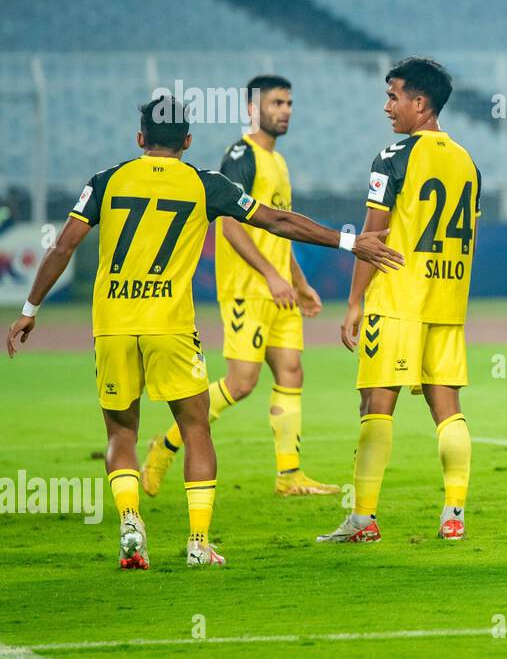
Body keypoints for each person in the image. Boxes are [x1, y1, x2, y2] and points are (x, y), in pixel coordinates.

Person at [6, 96, 401, 567]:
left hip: (111, 325)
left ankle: (131, 522)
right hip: (170, 325)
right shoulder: (205, 184)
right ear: (188, 141)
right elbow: (276, 220)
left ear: (140, 140)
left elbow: (63, 247)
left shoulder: (105, 181)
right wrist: (349, 240)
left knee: (121, 432)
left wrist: (30, 308)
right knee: (195, 428)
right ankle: (198, 544)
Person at [144, 75, 339, 497]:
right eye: (276, 103)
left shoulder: (279, 163)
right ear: (253, 109)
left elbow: (279, 230)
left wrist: (298, 282)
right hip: (247, 290)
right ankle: (166, 444)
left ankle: (289, 475)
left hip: (280, 290)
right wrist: (270, 276)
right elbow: (229, 224)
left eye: (289, 103)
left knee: (291, 371)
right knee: (242, 383)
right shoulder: (240, 156)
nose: (285, 110)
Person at [318, 58, 481, 544]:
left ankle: (363, 519)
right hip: (447, 302)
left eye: (394, 96)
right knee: (447, 407)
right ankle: (454, 515)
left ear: (420, 103)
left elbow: (373, 234)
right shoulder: (467, 160)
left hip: (396, 299)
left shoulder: (393, 155)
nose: (387, 107)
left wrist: (353, 303)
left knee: (376, 404)